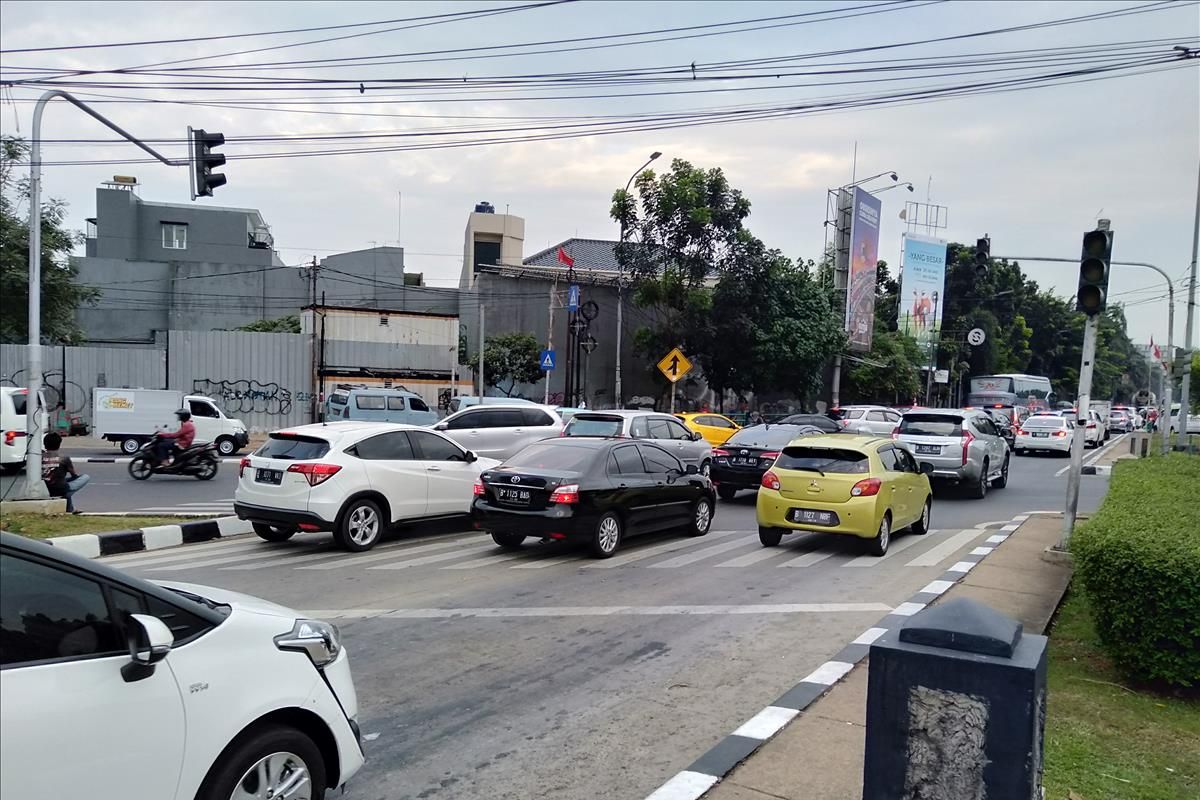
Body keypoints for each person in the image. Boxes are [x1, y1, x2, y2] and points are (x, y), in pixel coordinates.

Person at [41, 433, 90, 514]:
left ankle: (70, 509)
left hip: (44, 486)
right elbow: (74, 475)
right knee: (85, 477)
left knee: (62, 482)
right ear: (59, 444)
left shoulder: (40, 457)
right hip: (60, 488)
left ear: (45, 444)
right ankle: (69, 507)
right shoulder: (64, 458)